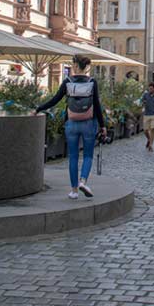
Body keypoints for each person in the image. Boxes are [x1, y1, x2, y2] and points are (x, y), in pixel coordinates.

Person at [35, 55, 107, 199]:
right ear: (86, 67)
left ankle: (74, 191)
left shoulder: (67, 81)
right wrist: (103, 125)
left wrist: (38, 109)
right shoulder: (92, 82)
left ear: (74, 65)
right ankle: (83, 181)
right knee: (87, 155)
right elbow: (97, 105)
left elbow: (55, 100)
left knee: (73, 156)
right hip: (89, 122)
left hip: (72, 123)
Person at [139, 83, 154, 151]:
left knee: (152, 129)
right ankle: (149, 139)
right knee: (145, 130)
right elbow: (141, 102)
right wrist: (143, 103)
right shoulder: (145, 95)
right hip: (146, 114)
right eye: (149, 88)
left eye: (151, 88)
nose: (150, 90)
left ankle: (151, 145)